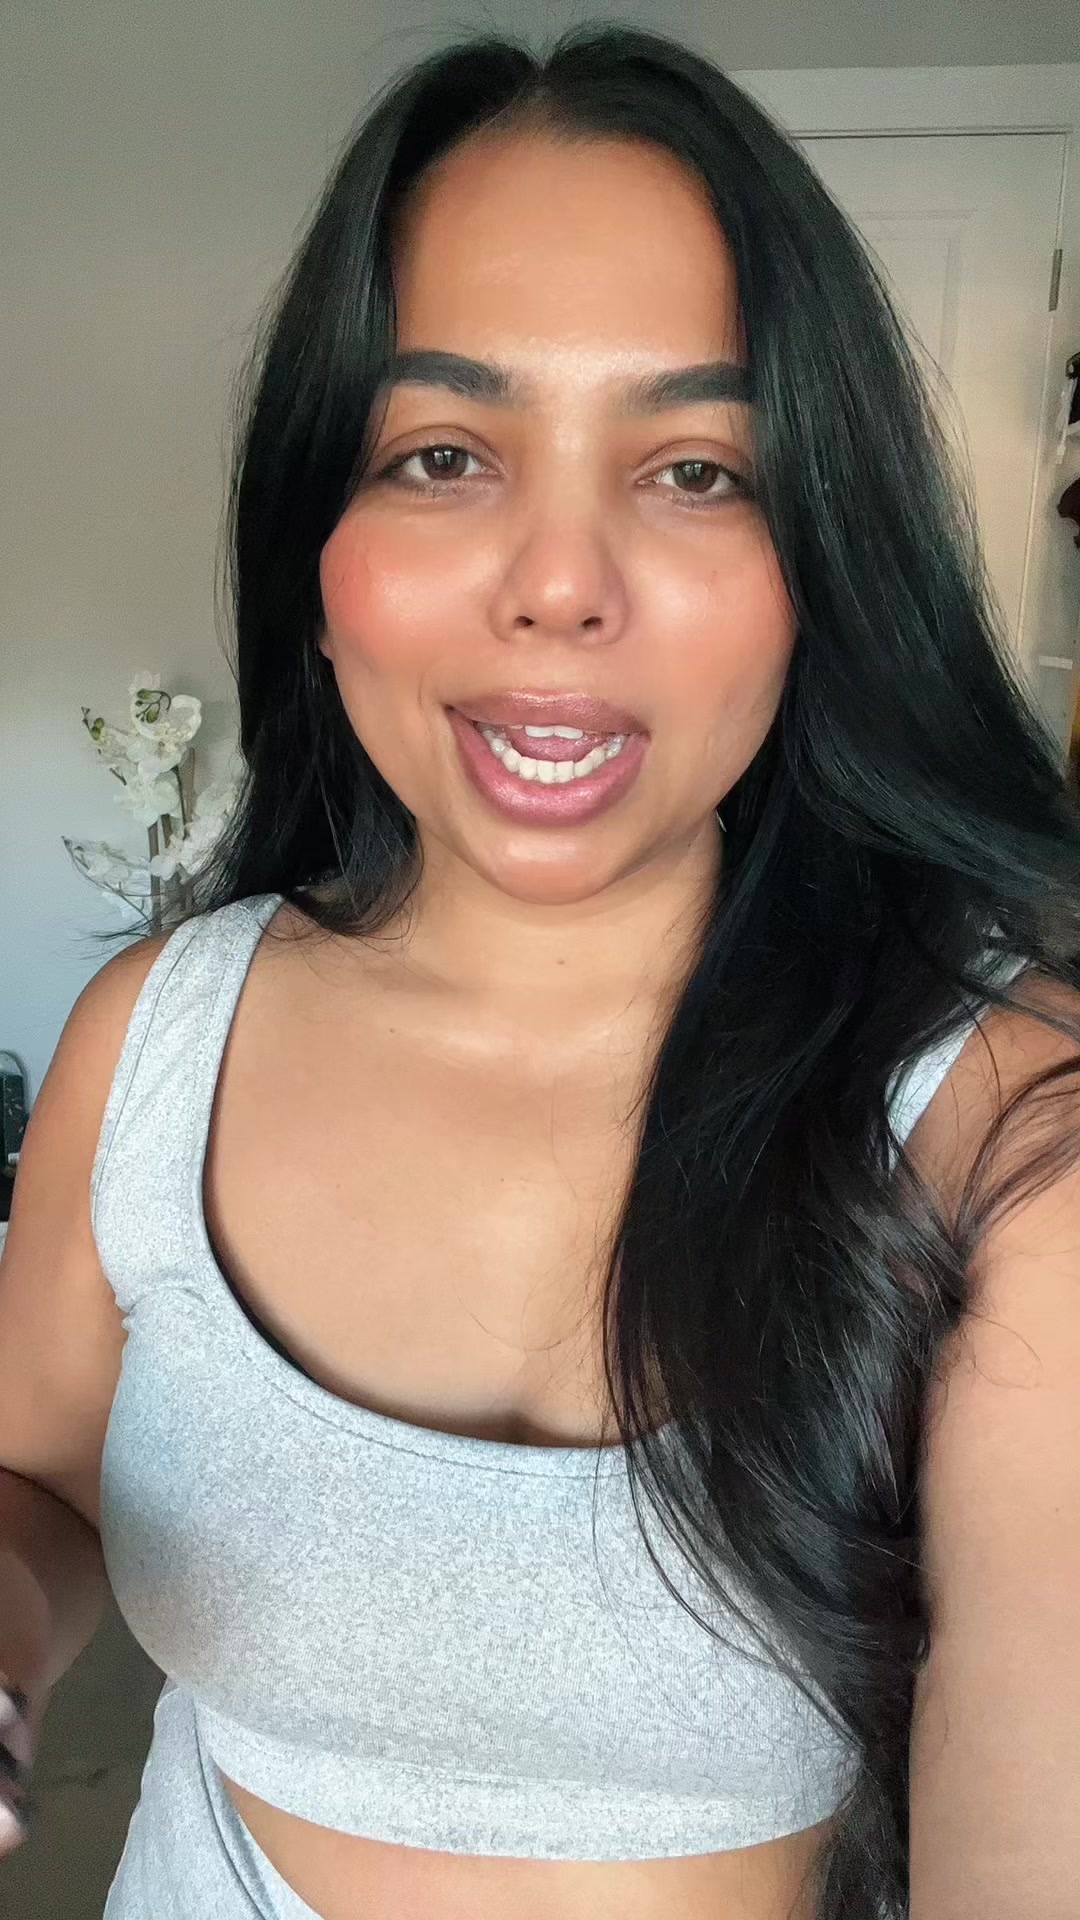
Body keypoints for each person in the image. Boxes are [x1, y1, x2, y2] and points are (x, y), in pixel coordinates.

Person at [2, 23, 1079, 1920]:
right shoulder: (158, 1038)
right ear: (317, 541)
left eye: (696, 470)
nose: (560, 582)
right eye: (442, 455)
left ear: (822, 564)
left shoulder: (1003, 1125)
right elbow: (46, 1484)